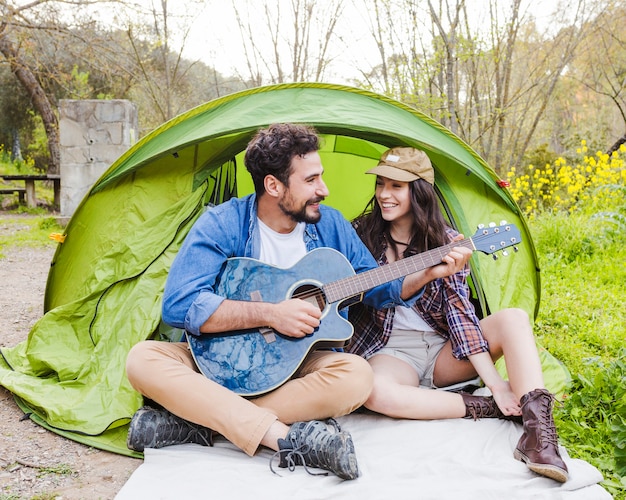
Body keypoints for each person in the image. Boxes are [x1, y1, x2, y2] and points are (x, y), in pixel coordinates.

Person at [124, 125, 472, 480]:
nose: (324, 189)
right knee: (143, 359)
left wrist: (429, 272)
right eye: (311, 180)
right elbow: (181, 304)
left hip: (297, 364)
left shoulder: (331, 225)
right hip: (217, 362)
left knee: (356, 376)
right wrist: (272, 314)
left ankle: (200, 423)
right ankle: (284, 438)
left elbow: (377, 286)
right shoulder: (222, 223)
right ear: (274, 186)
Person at [347, 146, 569, 483]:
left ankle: (538, 437)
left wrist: (495, 382)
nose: (384, 195)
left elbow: (461, 316)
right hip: (390, 350)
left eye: (396, 186)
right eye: (381, 184)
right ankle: (484, 407)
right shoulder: (360, 234)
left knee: (513, 319)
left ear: (419, 191)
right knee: (373, 391)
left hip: (442, 350)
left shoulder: (448, 242)